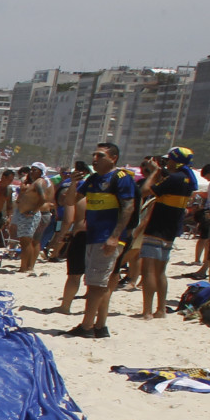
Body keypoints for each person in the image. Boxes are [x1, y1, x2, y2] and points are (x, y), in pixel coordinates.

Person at [70, 142, 137, 339]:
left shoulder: (121, 178)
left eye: (100, 156)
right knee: (102, 283)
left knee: (96, 284)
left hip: (107, 238)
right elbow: (69, 201)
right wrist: (73, 182)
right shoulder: (93, 179)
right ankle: (99, 326)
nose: (95, 160)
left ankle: (87, 326)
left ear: (113, 158)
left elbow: (128, 208)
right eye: (94, 155)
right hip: (94, 236)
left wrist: (115, 236)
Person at [131, 146, 197, 319]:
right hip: (171, 229)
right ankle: (160, 309)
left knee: (148, 271)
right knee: (160, 271)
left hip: (157, 227)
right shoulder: (187, 179)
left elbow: (144, 191)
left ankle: (147, 311)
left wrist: (154, 173)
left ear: (174, 161)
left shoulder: (174, 178)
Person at [13, 164, 54, 273]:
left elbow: (43, 198)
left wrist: (34, 210)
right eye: (31, 170)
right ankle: (29, 266)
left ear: (41, 172)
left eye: (34, 170)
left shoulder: (39, 182)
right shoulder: (44, 182)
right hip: (37, 213)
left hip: (35, 214)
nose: (31, 172)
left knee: (29, 241)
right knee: (32, 241)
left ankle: (26, 267)